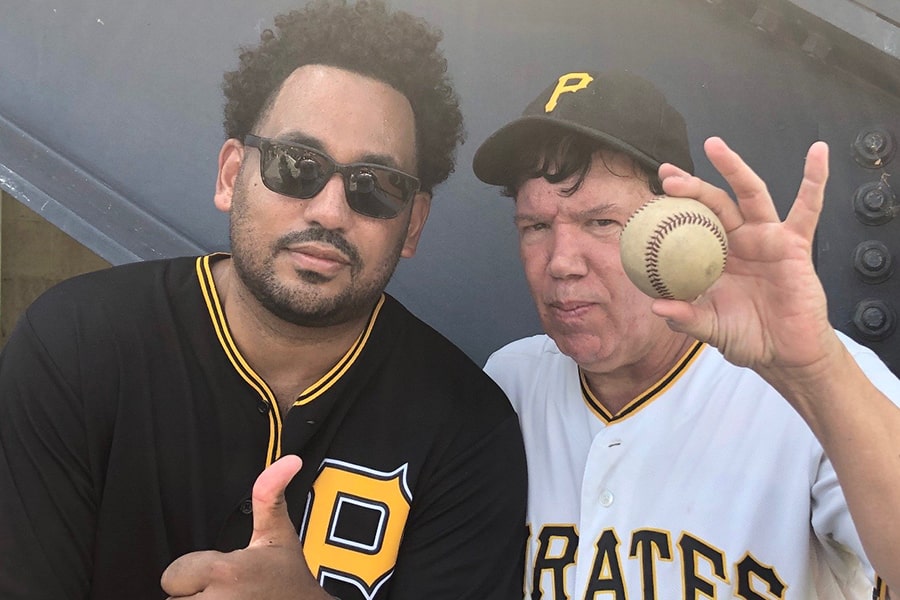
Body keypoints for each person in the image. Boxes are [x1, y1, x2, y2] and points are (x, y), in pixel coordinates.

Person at [0, 2, 527, 599]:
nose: (330, 211)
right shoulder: (77, 345)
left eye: (375, 186)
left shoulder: (466, 426)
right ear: (231, 175)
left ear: (412, 225)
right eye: (296, 165)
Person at [472, 69, 900, 598]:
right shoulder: (510, 381)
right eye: (535, 226)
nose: (561, 262)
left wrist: (816, 373)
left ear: (679, 222)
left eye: (601, 222)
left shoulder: (819, 384)